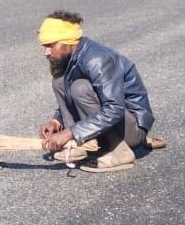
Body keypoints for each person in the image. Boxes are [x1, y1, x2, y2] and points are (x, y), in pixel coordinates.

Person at [37, 11, 166, 173]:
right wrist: (56, 121)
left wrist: (71, 132)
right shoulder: (72, 57)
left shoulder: (97, 59)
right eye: (44, 46)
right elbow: (72, 96)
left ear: (69, 41)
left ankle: (119, 152)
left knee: (80, 88)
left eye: (51, 45)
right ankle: (77, 145)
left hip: (131, 129)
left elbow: (114, 109)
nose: (46, 52)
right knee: (59, 81)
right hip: (109, 124)